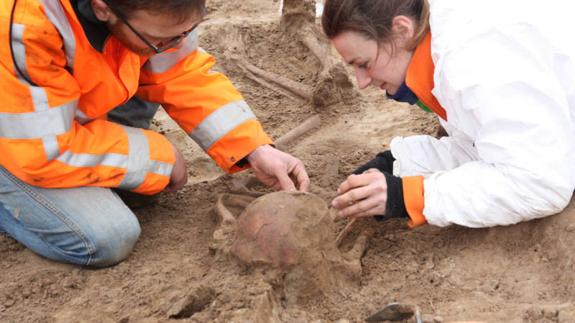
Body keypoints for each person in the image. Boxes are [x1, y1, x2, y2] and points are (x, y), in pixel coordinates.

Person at [0, 0, 309, 267]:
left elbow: (182, 70)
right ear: (102, 9)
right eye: (160, 40)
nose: (175, 45)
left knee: (140, 189)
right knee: (109, 236)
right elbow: (44, 150)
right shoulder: (25, 26)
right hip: (20, 133)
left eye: (185, 33)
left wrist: (254, 149)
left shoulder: (153, 16)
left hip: (60, 103)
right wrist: (157, 157)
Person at [325, 0, 575, 228]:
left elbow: (539, 182)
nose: (361, 82)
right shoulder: (440, 41)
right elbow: (483, 145)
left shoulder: (473, 60)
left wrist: (410, 196)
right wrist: (398, 165)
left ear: (402, 30)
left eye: (363, 64)